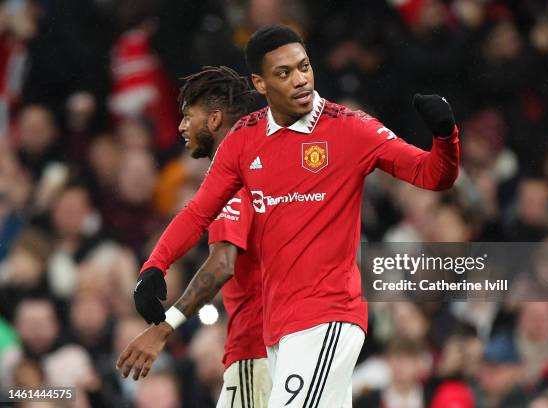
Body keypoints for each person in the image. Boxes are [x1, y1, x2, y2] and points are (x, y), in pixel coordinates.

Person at [133, 25, 459, 407]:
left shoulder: (351, 128)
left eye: (304, 67)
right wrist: (155, 266)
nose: (301, 79)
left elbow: (432, 175)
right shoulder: (243, 140)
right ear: (260, 83)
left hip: (329, 315)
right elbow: (199, 210)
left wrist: (444, 137)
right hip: (278, 330)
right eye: (284, 73)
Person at [116, 66, 271, 407]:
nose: (181, 126)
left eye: (189, 116)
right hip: (276, 341)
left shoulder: (237, 179)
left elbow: (221, 265)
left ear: (214, 120)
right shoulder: (262, 167)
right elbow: (194, 217)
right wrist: (155, 264)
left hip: (257, 348)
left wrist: (162, 329)